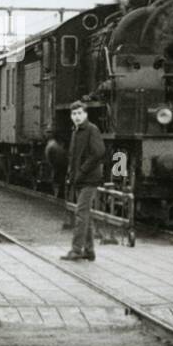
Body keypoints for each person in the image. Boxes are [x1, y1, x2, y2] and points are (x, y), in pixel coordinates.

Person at [61, 100, 106, 262]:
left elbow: (99, 152)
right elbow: (73, 157)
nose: (77, 117)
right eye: (74, 114)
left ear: (85, 114)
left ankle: (76, 250)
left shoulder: (91, 130)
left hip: (89, 179)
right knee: (85, 214)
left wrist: (82, 171)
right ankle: (89, 250)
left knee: (80, 213)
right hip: (80, 179)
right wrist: (71, 174)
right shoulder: (77, 131)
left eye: (80, 113)